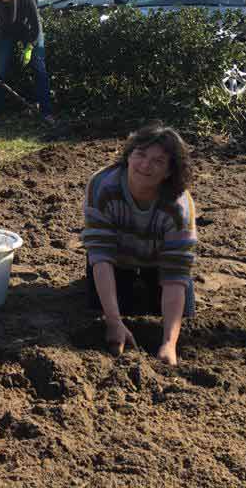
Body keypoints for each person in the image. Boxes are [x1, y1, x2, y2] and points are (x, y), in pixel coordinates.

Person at [81, 123, 196, 366]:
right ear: (128, 155)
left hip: (158, 262)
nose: (145, 165)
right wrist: (113, 321)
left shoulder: (178, 207)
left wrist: (169, 343)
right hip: (116, 258)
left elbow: (176, 274)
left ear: (168, 171)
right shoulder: (102, 185)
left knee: (182, 312)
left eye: (158, 161)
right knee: (97, 304)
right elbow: (100, 255)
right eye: (140, 155)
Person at [0, 0, 54, 126]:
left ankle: (46, 113)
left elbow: (35, 24)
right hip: (6, 33)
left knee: (39, 68)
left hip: (29, 30)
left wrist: (29, 47)